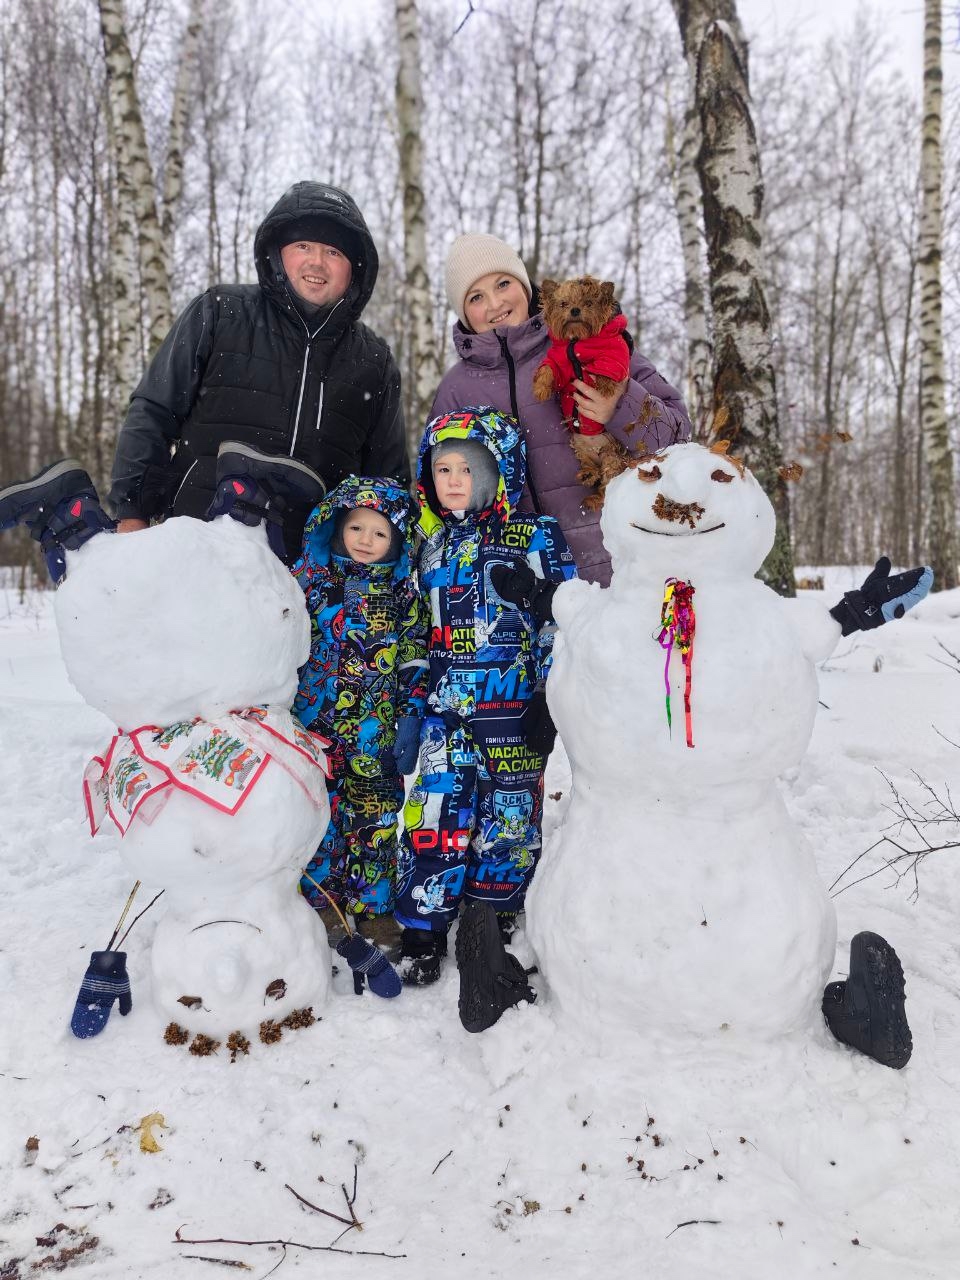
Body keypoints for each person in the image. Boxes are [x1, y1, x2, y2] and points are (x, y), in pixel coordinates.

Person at [394, 408, 577, 1033]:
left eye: (466, 469)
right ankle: (423, 923)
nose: (451, 480)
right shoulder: (430, 545)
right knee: (436, 808)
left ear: (498, 474)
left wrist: (550, 703)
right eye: (441, 469)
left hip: (513, 704)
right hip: (449, 706)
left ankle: (493, 914)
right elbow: (420, 631)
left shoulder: (535, 538)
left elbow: (558, 619)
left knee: (509, 816)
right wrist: (414, 706)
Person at [108, 181, 409, 561]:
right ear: (278, 253)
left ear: (354, 269)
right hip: (198, 547)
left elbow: (387, 479)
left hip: (314, 576)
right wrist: (132, 513)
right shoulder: (219, 312)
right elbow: (152, 412)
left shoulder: (374, 360)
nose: (316, 262)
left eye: (333, 251)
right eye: (303, 246)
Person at [433, 233, 692, 586]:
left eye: (503, 283)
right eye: (476, 297)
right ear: (463, 312)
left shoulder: (590, 340)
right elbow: (441, 500)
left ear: (526, 286)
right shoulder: (455, 389)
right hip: (519, 595)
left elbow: (678, 438)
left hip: (621, 574)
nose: (494, 303)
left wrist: (620, 406)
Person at [292, 476, 430, 955]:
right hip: (316, 730)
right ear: (335, 528)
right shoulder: (309, 587)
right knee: (320, 818)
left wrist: (411, 718)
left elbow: (415, 661)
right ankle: (323, 901)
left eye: (379, 533)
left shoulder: (403, 597)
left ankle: (374, 907)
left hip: (377, 734)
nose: (366, 541)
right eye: (356, 528)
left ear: (397, 542)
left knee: (374, 820)